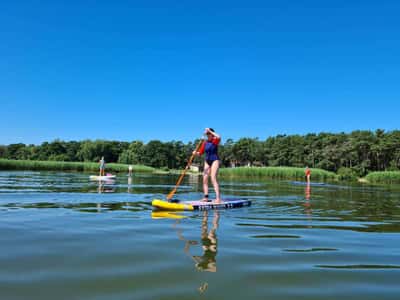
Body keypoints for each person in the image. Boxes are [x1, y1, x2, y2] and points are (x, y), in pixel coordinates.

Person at [193, 128, 221, 203]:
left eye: (209, 134)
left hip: (215, 160)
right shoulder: (204, 143)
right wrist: (195, 153)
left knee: (213, 178)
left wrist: (210, 131)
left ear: (212, 134)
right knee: (204, 179)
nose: (208, 135)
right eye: (207, 134)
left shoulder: (215, 141)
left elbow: (219, 136)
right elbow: (200, 153)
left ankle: (218, 198)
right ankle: (206, 197)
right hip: (207, 161)